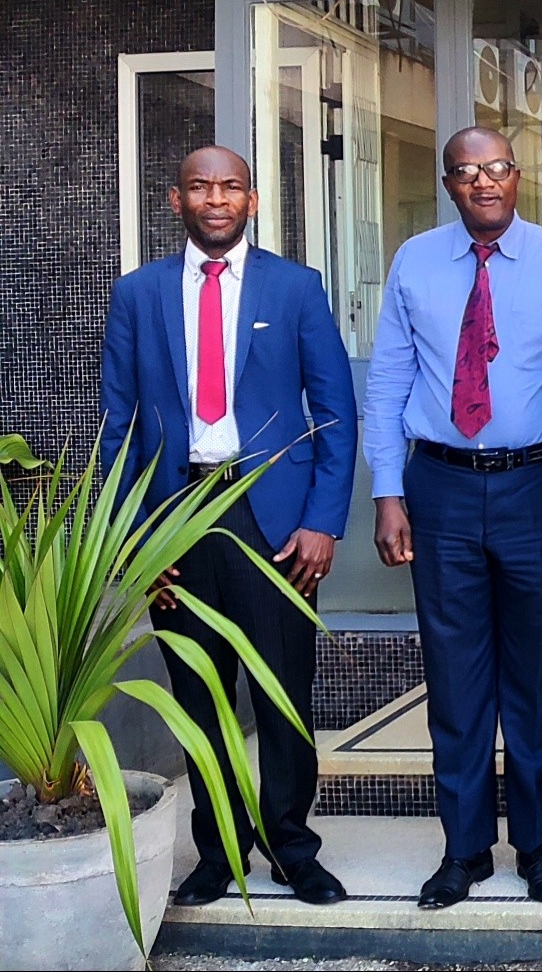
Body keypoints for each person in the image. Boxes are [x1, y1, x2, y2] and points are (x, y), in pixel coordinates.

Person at [100, 146, 356, 907]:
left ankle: (292, 848)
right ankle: (218, 853)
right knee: (196, 692)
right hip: (176, 518)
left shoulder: (296, 287)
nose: (216, 198)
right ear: (175, 199)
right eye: (200, 187)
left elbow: (335, 413)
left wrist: (323, 523)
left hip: (272, 520)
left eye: (231, 186)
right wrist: (135, 541)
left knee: (283, 692)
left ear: (252, 200)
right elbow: (118, 429)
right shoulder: (138, 293)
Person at [363, 127, 542, 910]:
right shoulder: (414, 262)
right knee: (456, 680)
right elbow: (389, 380)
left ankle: (536, 846)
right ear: (449, 184)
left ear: (517, 176)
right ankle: (463, 849)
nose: (483, 182)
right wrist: (388, 493)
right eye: (466, 172)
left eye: (496, 168)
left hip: (539, 486)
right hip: (441, 488)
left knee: (534, 680)